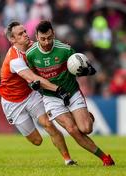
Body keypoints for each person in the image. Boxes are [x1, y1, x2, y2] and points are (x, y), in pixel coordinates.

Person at [26, 20, 115, 166]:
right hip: (51, 97)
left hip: (71, 92)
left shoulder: (65, 50)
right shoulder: (31, 54)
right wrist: (33, 84)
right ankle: (105, 158)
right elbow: (32, 76)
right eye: (42, 38)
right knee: (72, 129)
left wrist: (86, 70)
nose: (46, 42)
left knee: (86, 128)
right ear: (36, 37)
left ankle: (88, 118)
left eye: (49, 37)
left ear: (53, 34)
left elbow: (77, 67)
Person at [0, 21, 76, 165]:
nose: (25, 35)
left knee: (48, 124)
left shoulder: (35, 46)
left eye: (25, 31)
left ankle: (68, 160)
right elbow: (32, 78)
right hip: (12, 102)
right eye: (20, 34)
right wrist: (57, 89)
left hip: (30, 95)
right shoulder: (15, 59)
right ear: (12, 40)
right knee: (37, 141)